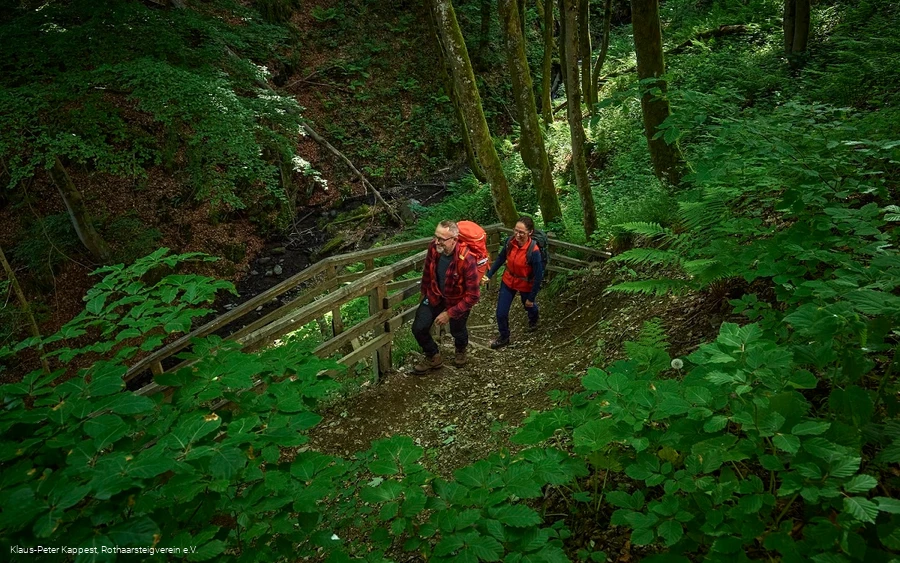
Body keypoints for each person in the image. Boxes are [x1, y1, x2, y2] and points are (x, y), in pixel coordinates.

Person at [412, 220, 480, 374]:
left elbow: (473, 295)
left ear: (454, 240)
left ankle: (461, 349)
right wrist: (423, 293)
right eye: (436, 237)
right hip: (435, 294)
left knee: (458, 330)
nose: (437, 242)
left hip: (457, 299)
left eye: (442, 239)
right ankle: (433, 356)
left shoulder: (467, 259)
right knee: (419, 327)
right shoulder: (434, 248)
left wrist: (449, 313)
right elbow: (427, 273)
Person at [482, 216, 544, 349]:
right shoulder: (510, 242)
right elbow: (500, 258)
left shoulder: (534, 252)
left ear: (530, 232)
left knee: (528, 305)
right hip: (508, 280)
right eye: (516, 231)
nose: (517, 235)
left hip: (525, 283)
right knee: (501, 313)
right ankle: (504, 337)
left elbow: (538, 276)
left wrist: (531, 297)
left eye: (521, 232)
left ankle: (534, 319)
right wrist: (489, 274)